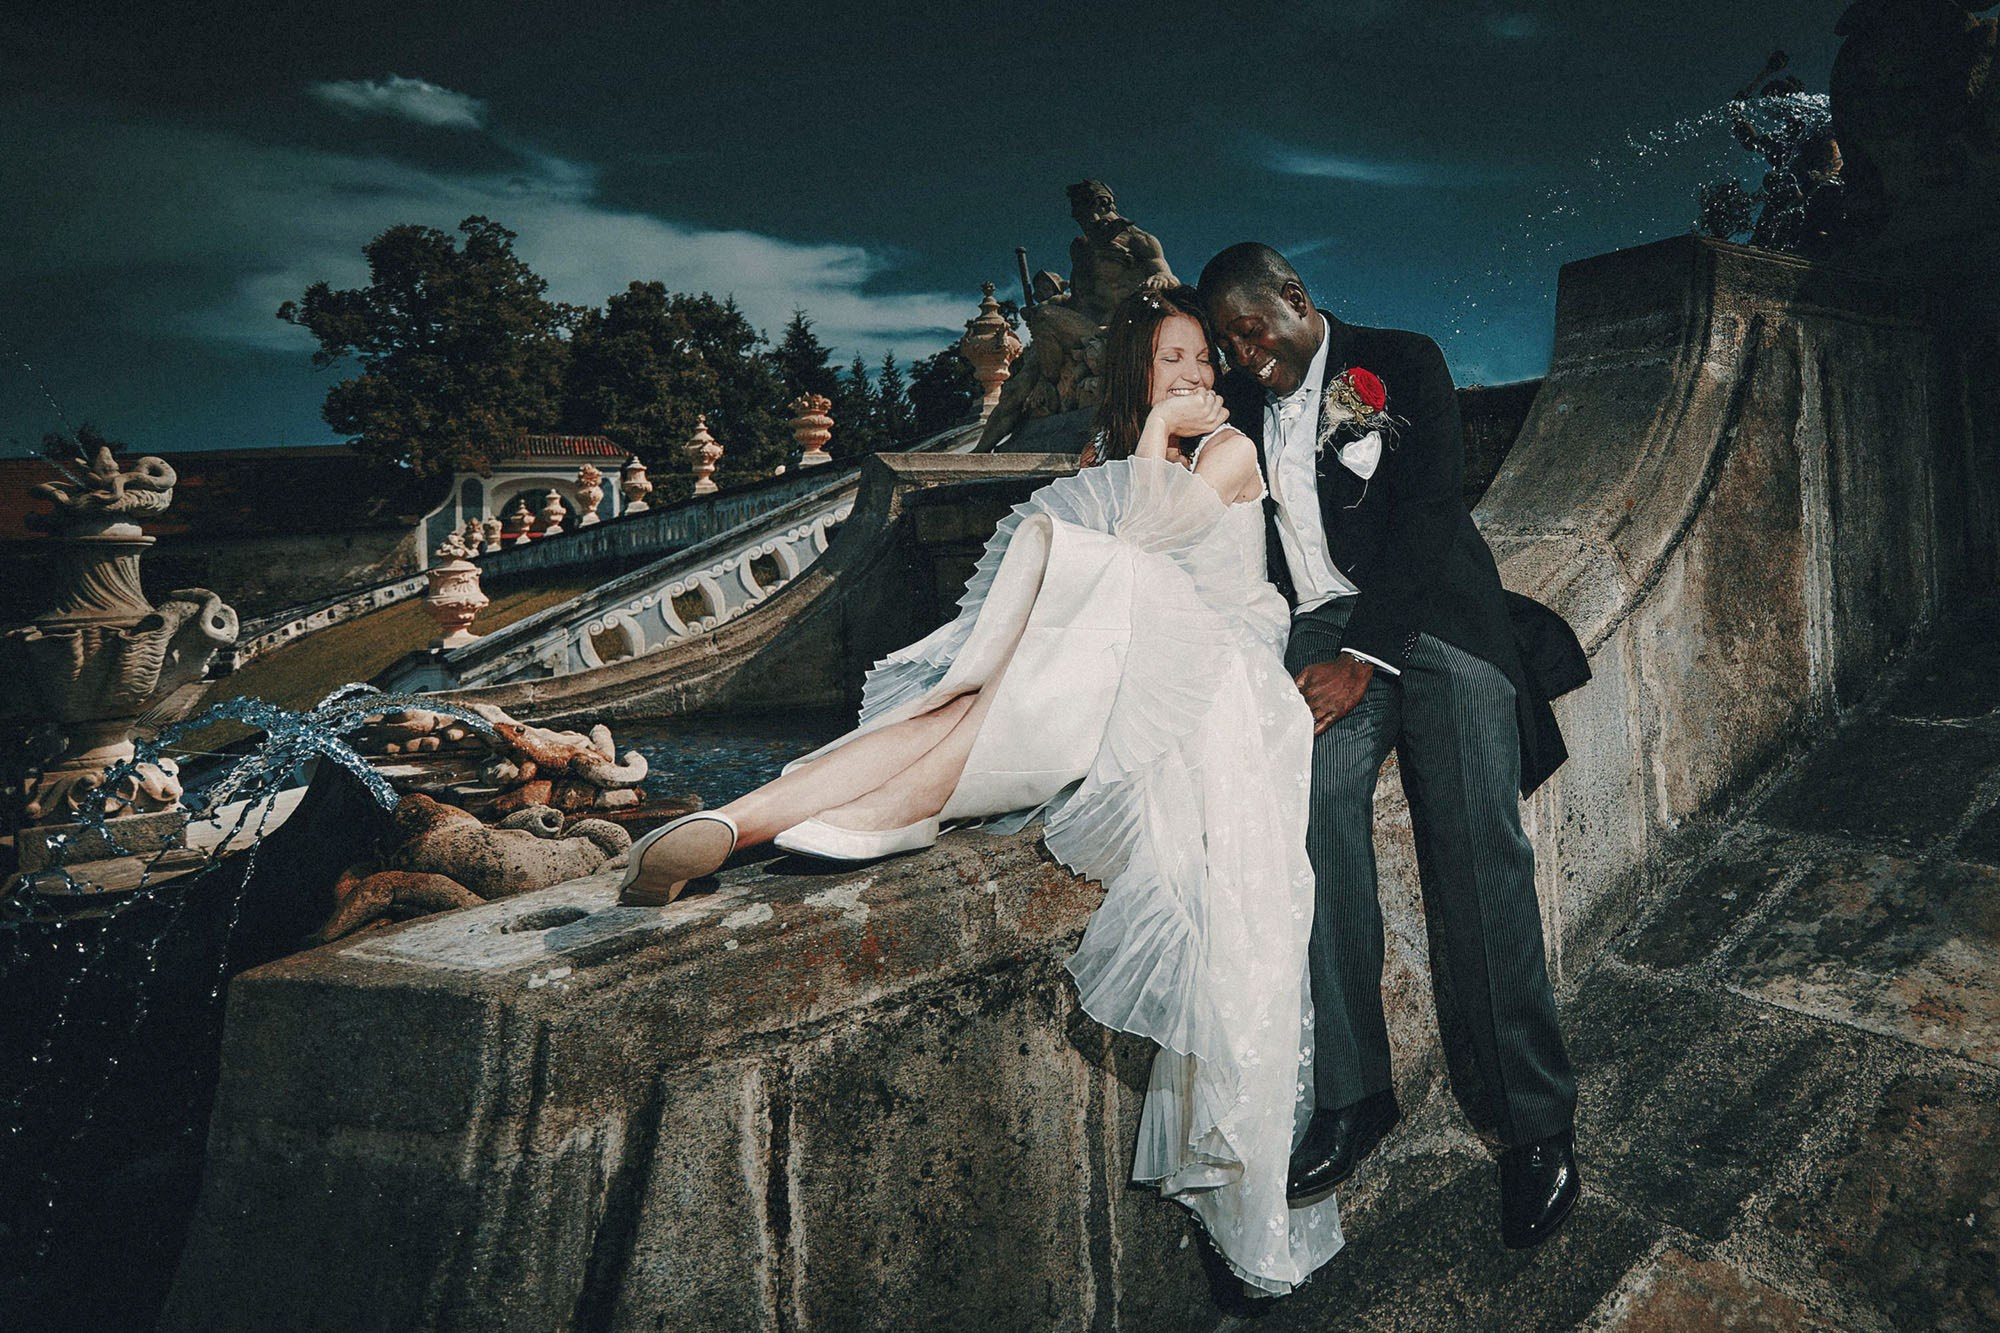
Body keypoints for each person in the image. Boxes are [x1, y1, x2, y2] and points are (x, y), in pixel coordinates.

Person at [617, 285, 1343, 1296]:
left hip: (1208, 687)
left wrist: (1155, 437)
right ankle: (738, 820)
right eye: (1171, 359)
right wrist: (1136, 447)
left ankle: (841, 811)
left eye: (1202, 361)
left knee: (1017, 662)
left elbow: (1141, 541)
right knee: (957, 706)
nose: (1195, 376)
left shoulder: (1227, 453)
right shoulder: (1113, 457)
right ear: (1136, 369)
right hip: (1109, 671)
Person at [1197, 242, 1585, 1250]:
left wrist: (1365, 657)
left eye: (1250, 331)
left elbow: (1428, 512)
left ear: (1294, 298)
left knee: (1476, 845)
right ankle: (1356, 1092)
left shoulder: (1400, 362)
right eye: (1227, 345)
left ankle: (1533, 1121)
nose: (1242, 357)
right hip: (1318, 626)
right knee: (1311, 804)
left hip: (1436, 617)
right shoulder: (1237, 405)